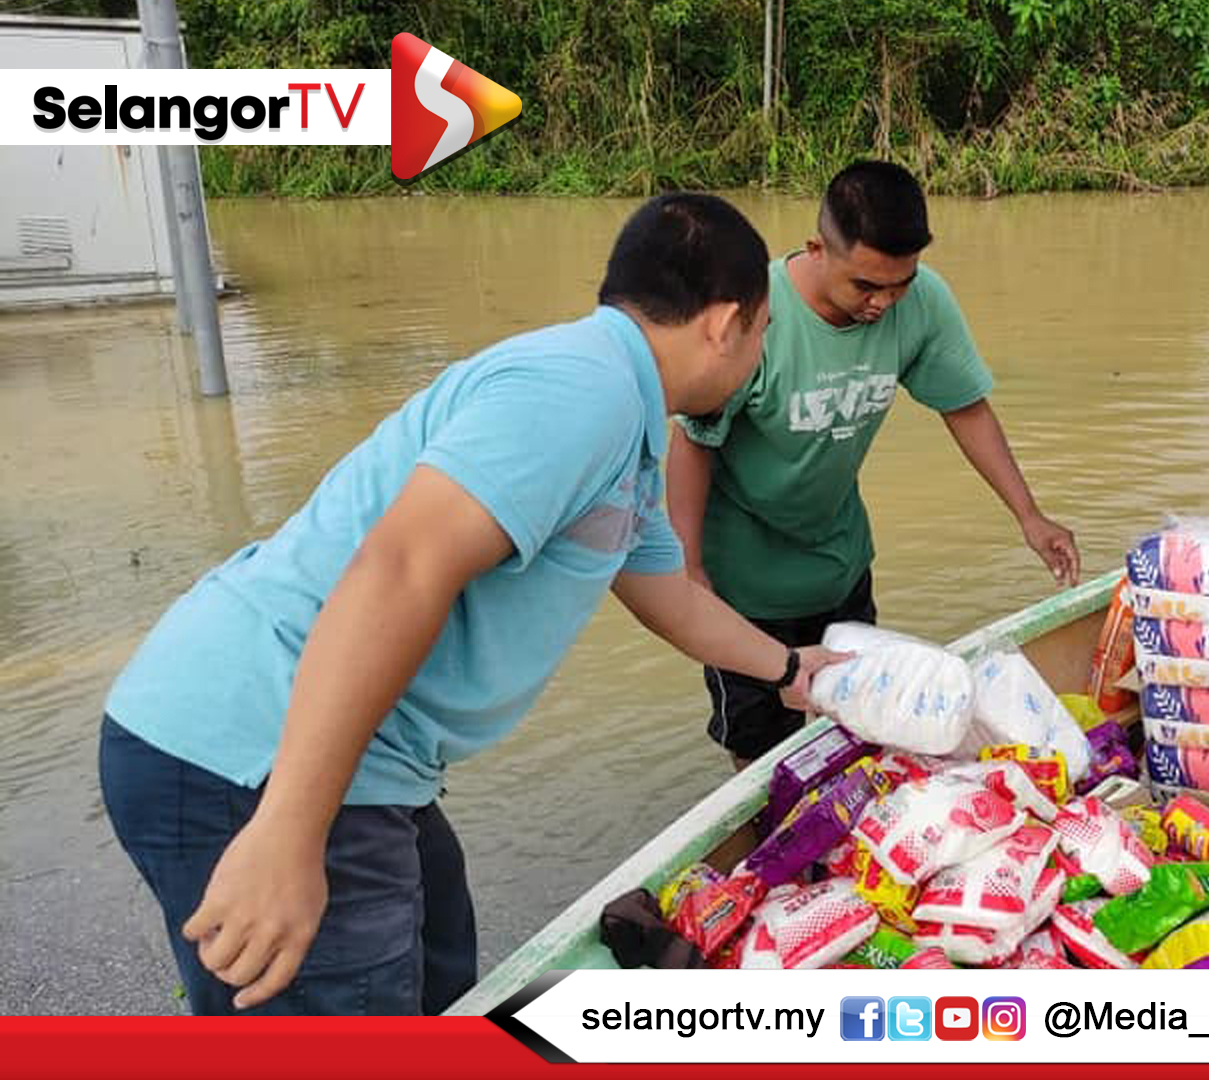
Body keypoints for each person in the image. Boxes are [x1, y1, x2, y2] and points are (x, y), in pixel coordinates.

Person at [97, 193, 844, 1015]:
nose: (763, 351)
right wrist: (288, 832)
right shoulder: (580, 391)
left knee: (443, 973)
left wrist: (790, 669)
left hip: (361, 759)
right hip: (250, 750)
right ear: (725, 322)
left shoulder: (621, 414)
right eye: (766, 331)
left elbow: (669, 595)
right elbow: (402, 568)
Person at [668, 160, 1081, 767]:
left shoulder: (923, 304)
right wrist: (690, 572)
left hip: (840, 569)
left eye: (900, 282)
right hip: (743, 594)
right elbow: (695, 440)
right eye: (865, 285)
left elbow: (964, 407)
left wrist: (1030, 516)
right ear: (816, 249)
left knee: (861, 741)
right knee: (762, 756)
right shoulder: (754, 315)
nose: (883, 302)